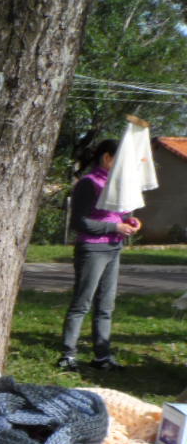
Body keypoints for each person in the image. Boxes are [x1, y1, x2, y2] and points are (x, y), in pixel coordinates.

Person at [58, 138, 141, 372]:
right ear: (107, 158)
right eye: (121, 161)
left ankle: (102, 357)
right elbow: (79, 222)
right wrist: (114, 228)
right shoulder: (89, 183)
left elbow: (118, 216)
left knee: (106, 305)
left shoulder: (116, 184)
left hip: (114, 249)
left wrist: (129, 222)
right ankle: (68, 354)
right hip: (93, 249)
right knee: (82, 303)